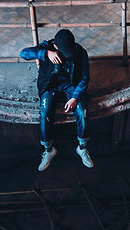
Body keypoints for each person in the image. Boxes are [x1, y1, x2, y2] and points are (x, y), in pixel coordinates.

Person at [20, 28, 93, 171]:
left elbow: (85, 77)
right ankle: (48, 150)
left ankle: (82, 148)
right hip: (50, 85)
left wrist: (74, 97)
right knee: (45, 113)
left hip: (70, 85)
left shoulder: (80, 51)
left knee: (82, 111)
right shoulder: (47, 47)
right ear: (55, 47)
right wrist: (46, 53)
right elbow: (23, 54)